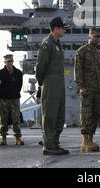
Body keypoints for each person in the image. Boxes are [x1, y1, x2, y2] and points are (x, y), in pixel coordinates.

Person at [35, 17, 69, 156]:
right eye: (62, 28)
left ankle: (55, 143)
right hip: (50, 83)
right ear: (56, 29)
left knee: (59, 116)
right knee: (49, 115)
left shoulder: (57, 43)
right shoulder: (47, 44)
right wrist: (42, 84)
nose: (64, 30)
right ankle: (48, 145)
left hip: (59, 84)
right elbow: (40, 67)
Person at [74, 27, 100, 152]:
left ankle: (90, 139)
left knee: (95, 115)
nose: (96, 38)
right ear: (90, 36)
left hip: (97, 89)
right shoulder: (82, 51)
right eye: (95, 36)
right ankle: (85, 141)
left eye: (98, 37)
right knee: (86, 114)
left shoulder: (97, 53)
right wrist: (81, 87)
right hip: (86, 89)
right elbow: (78, 70)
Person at [0, 54, 24, 146]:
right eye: (7, 61)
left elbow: (20, 85)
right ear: (5, 62)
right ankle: (3, 138)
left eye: (11, 61)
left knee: (16, 118)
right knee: (3, 119)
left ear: (13, 61)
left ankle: (18, 138)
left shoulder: (18, 73)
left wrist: (14, 93)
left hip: (15, 98)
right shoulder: (0, 73)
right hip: (3, 99)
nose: (9, 63)